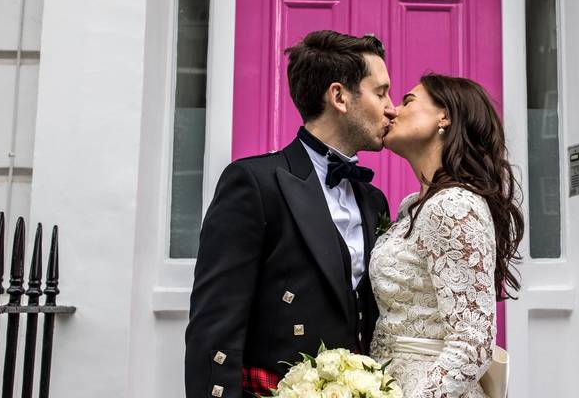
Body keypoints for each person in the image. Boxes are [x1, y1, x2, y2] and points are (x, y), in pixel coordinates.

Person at [185, 30, 396, 398]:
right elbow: (215, 326)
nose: (391, 107)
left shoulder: (372, 199)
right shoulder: (254, 183)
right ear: (339, 97)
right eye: (380, 93)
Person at [370, 74, 525, 398]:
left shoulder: (453, 206)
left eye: (408, 101)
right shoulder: (414, 206)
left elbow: (474, 342)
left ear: (445, 116)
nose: (392, 111)